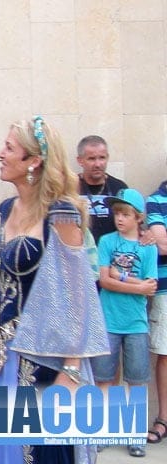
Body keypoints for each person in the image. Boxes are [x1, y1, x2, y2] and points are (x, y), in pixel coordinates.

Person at [0, 117, 109, 464]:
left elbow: (78, 300)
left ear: (34, 161)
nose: (0, 153)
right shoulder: (6, 209)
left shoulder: (61, 215)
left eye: (9, 148)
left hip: (35, 356)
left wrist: (70, 371)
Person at [92, 189, 157, 457]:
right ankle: (104, 431)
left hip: (136, 324)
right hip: (109, 321)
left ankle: (134, 434)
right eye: (117, 213)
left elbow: (150, 286)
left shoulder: (148, 248)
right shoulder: (107, 241)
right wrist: (133, 283)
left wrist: (122, 278)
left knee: (137, 380)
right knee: (105, 379)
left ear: (138, 217)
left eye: (126, 214)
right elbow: (104, 280)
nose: (120, 218)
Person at [145, 179, 167, 446]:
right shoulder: (156, 200)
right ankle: (163, 418)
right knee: (165, 355)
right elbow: (162, 246)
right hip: (165, 289)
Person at [77, 135, 128, 244]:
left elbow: (132, 223)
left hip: (113, 255)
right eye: (91, 158)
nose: (98, 164)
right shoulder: (70, 187)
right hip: (80, 254)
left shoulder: (119, 187)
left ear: (107, 158)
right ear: (80, 160)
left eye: (102, 158)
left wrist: (145, 234)